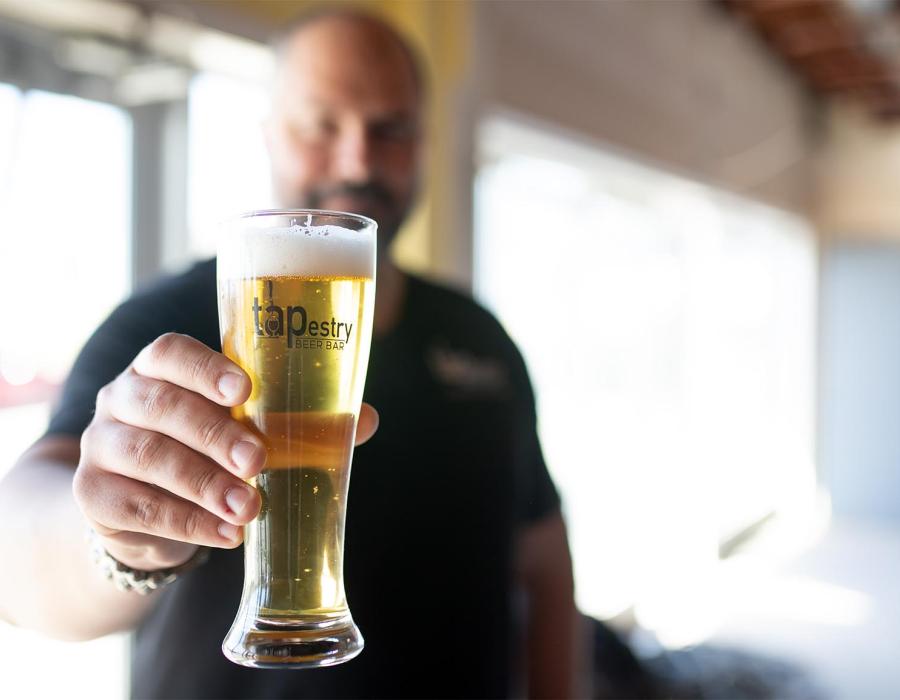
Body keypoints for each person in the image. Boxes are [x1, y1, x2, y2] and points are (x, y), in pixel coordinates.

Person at [0, 11, 580, 699]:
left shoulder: (480, 339)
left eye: (390, 128)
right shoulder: (169, 324)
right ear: (270, 135)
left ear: (424, 144)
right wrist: (121, 538)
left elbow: (543, 559)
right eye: (321, 125)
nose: (358, 160)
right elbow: (17, 558)